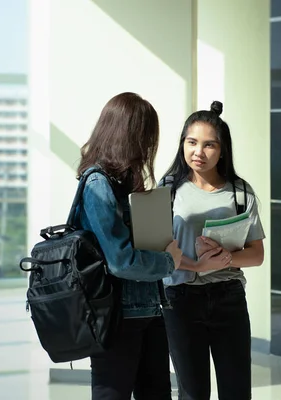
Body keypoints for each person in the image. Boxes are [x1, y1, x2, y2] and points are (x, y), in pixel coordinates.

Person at [76, 92, 192, 400]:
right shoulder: (97, 184)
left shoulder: (123, 183)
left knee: (156, 393)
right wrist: (169, 261)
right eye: (145, 136)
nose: (147, 146)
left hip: (150, 309)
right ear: (128, 135)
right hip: (117, 316)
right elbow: (120, 260)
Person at [160, 101, 266, 400]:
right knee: (193, 393)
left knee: (236, 391)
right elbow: (157, 253)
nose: (199, 152)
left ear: (222, 150)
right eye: (192, 142)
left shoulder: (240, 193)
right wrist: (197, 267)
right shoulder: (166, 189)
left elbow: (256, 255)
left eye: (210, 145)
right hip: (180, 301)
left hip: (228, 298)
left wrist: (224, 260)